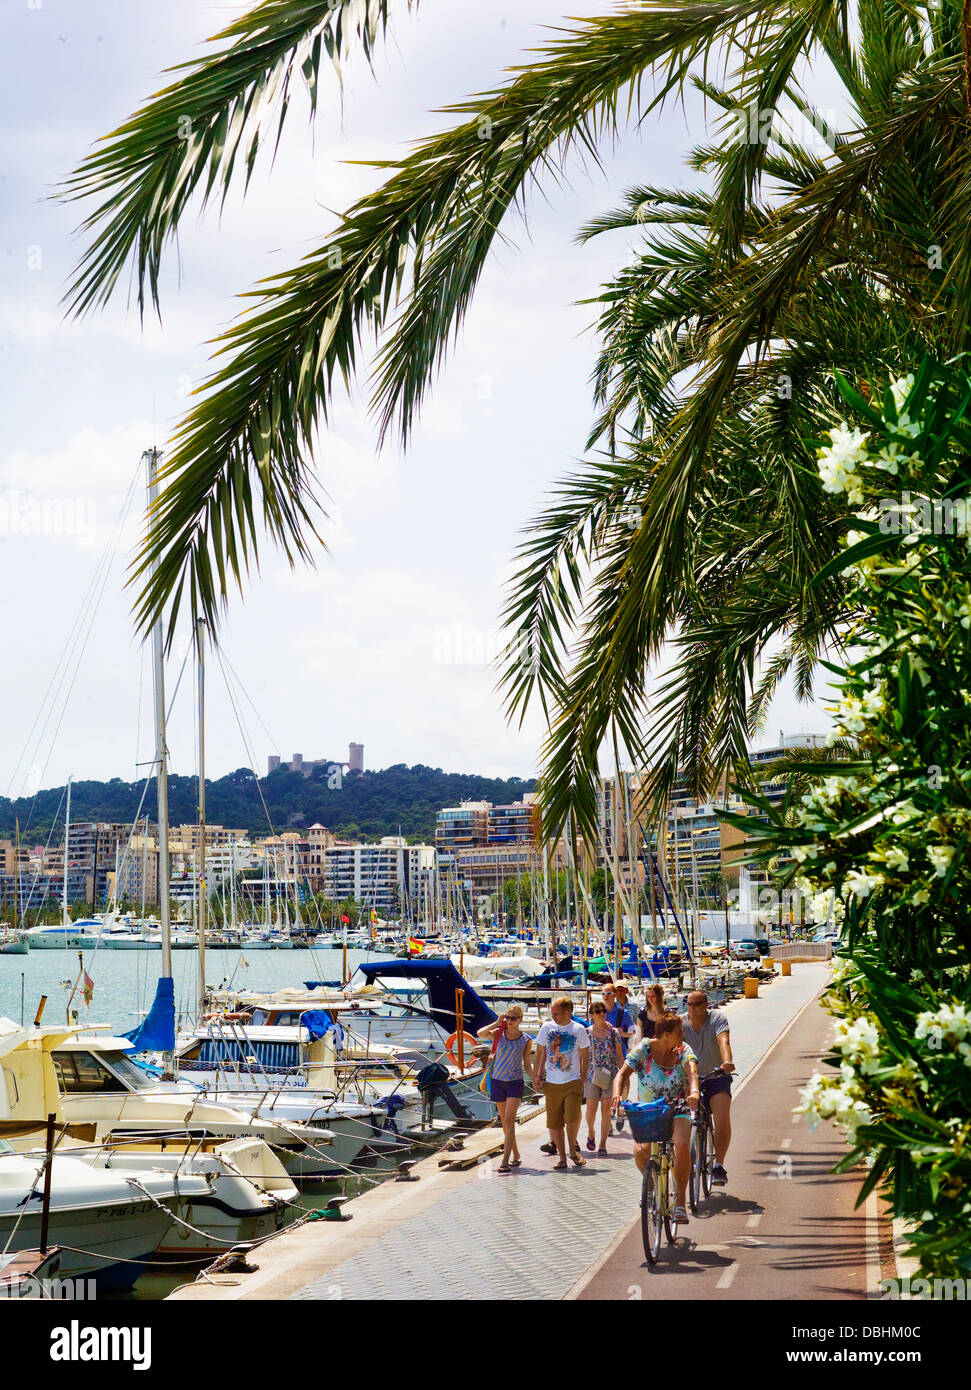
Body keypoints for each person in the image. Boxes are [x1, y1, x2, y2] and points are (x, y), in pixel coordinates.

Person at [611, 1012, 698, 1225]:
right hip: (649, 1109)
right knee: (640, 1152)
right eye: (679, 1033)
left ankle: (680, 1202)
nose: (683, 1036)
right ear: (667, 1034)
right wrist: (617, 1094)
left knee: (681, 1143)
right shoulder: (644, 1049)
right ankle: (650, 1184)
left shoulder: (683, 1051)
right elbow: (622, 1074)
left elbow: (692, 1072)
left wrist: (694, 1091)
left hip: (677, 1106)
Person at [680, 990, 735, 1187]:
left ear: (706, 1004)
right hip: (690, 1079)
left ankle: (719, 1165)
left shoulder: (717, 1018)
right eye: (689, 1004)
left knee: (721, 1117)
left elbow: (723, 1041)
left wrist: (727, 1061)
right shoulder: (681, 1023)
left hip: (715, 1076)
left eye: (696, 1004)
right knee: (682, 1120)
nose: (692, 1008)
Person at [532, 995, 590, 1169]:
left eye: (556, 1014)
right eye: (552, 1013)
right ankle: (563, 1157)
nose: (554, 1017)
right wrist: (537, 1074)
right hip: (552, 1083)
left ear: (567, 1012)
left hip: (572, 1081)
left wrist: (583, 1077)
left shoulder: (578, 1029)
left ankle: (572, 1150)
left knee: (571, 1119)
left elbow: (585, 1055)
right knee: (554, 1121)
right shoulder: (547, 1028)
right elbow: (540, 1051)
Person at [477, 1005, 533, 1174]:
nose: (509, 1021)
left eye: (513, 1018)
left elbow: (526, 1063)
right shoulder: (499, 1034)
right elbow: (480, 1034)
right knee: (505, 1122)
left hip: (515, 1082)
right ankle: (515, 1154)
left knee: (509, 1120)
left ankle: (505, 1160)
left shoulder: (526, 1039)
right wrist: (497, 1022)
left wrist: (535, 1077)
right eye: (507, 1018)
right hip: (498, 1081)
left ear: (520, 1020)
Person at [583, 1001, 625, 1154]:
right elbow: (582, 1056)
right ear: (591, 1015)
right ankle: (591, 1132)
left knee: (606, 1110)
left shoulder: (613, 1032)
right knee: (591, 1109)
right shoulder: (586, 1033)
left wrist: (623, 1076)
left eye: (603, 1011)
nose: (602, 1013)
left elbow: (620, 1056)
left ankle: (602, 1144)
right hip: (591, 1073)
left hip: (610, 1073)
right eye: (598, 1011)